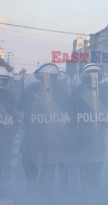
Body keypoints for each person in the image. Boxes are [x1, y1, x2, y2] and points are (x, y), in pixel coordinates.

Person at [21, 63, 74, 194]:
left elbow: (68, 115)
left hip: (51, 136)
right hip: (38, 134)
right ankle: (36, 188)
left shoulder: (60, 93)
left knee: (46, 164)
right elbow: (25, 111)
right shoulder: (32, 91)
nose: (48, 80)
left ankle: (42, 192)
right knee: (31, 160)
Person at [72, 63, 108, 194]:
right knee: (93, 169)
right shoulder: (102, 90)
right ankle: (90, 194)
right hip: (92, 137)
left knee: (86, 168)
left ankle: (87, 194)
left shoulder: (78, 90)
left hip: (87, 137)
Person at [0, 67, 18, 183]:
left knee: (5, 156)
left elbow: (14, 114)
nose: (1, 83)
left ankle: (5, 179)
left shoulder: (9, 95)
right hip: (6, 133)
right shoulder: (10, 95)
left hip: (6, 133)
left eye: (3, 80)